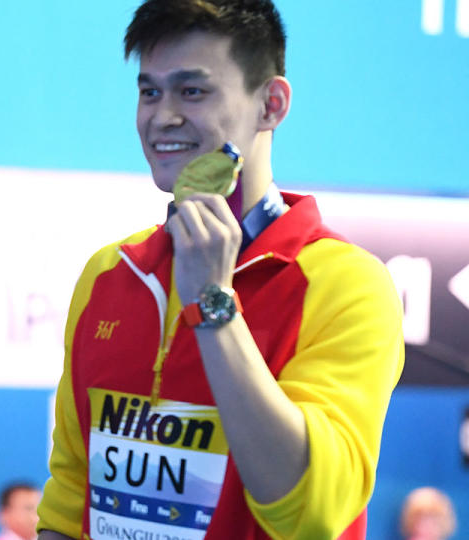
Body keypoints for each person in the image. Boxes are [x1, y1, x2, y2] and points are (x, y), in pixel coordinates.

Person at [36, 1, 404, 539]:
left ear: (271, 105)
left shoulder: (347, 285)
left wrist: (213, 302)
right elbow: (72, 497)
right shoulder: (109, 274)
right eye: (149, 92)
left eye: (192, 91)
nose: (162, 116)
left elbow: (311, 511)